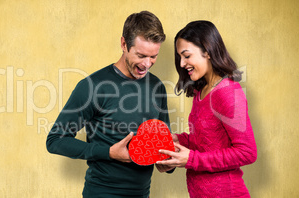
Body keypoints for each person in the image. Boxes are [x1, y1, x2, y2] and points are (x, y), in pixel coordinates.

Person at [46, 11, 170, 198]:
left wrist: (167, 163)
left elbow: (163, 144)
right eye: (141, 55)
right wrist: (108, 152)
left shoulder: (157, 87)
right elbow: (55, 140)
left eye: (153, 56)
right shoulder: (93, 87)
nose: (147, 64)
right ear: (123, 44)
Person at [156, 21, 257, 197]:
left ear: (207, 51)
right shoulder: (201, 90)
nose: (181, 63)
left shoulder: (228, 92)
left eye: (186, 56)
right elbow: (206, 142)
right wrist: (178, 140)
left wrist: (192, 159)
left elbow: (247, 152)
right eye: (180, 57)